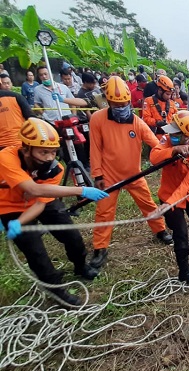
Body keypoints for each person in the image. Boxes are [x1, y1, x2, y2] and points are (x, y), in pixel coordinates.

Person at [0, 118, 109, 305]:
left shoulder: (55, 169)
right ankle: (56, 289)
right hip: (9, 205)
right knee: (36, 252)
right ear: (26, 149)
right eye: (43, 152)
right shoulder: (6, 158)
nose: (50, 158)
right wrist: (80, 190)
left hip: (40, 200)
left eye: (53, 152)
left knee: (71, 235)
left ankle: (80, 265)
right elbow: (33, 189)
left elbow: (40, 202)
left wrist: (21, 221)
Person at [89, 76, 173, 269]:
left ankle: (160, 230)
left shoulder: (137, 122)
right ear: (108, 101)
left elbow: (156, 143)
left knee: (148, 204)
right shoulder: (98, 119)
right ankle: (100, 248)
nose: (121, 106)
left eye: (124, 103)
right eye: (116, 104)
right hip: (109, 176)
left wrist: (172, 149)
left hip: (134, 174)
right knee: (104, 212)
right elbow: (95, 149)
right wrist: (97, 175)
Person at [149, 111, 189, 284]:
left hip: (188, 196)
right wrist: (173, 150)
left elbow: (186, 186)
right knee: (181, 234)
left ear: (187, 136)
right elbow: (153, 157)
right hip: (168, 197)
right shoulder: (167, 141)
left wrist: (170, 203)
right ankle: (184, 272)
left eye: (175, 132)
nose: (170, 134)